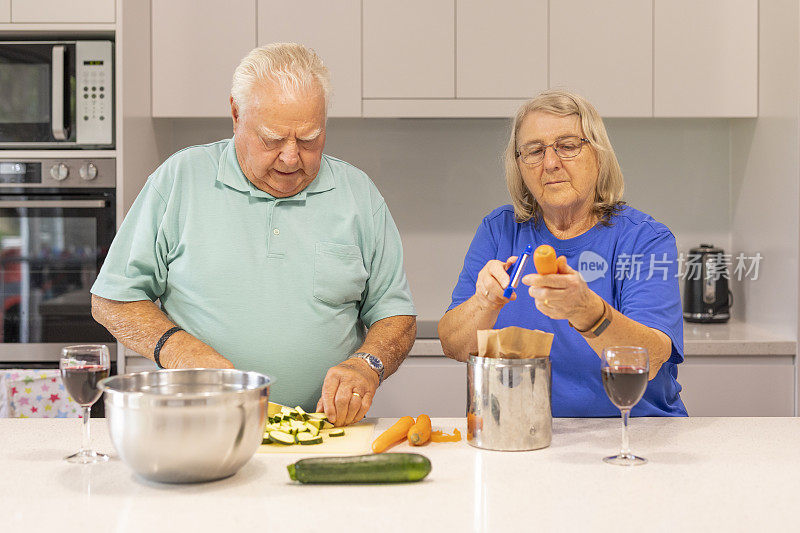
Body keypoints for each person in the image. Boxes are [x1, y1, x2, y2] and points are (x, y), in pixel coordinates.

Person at [91, 43, 417, 426]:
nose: (291, 157)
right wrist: (176, 349)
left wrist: (367, 364)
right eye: (272, 139)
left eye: (309, 139)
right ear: (235, 114)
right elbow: (113, 298)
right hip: (199, 427)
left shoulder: (359, 194)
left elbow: (396, 315)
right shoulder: (180, 179)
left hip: (324, 432)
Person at [438, 89, 686, 417]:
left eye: (567, 147)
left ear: (599, 155)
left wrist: (587, 311)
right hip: (522, 436)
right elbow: (453, 345)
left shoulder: (644, 239)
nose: (551, 163)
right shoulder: (499, 229)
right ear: (520, 165)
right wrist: (485, 302)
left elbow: (651, 358)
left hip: (633, 436)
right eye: (535, 151)